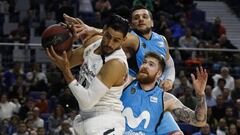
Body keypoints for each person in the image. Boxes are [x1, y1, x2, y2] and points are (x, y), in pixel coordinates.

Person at [63, 6, 179, 134]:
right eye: (136, 17)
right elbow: (114, 34)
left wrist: (169, 79)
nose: (140, 19)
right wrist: (90, 29)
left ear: (152, 22)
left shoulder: (162, 40)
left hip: (153, 95)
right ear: (132, 25)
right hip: (130, 94)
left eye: (144, 16)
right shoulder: (133, 38)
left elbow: (170, 64)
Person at [46, 14, 129, 135]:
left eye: (116, 40)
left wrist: (66, 72)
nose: (110, 44)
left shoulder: (115, 64)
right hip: (85, 118)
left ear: (124, 40)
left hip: (106, 120)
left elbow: (87, 101)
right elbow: (67, 61)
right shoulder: (94, 42)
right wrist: (68, 41)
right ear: (103, 30)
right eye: (108, 36)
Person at [121, 52, 208, 134]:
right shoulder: (126, 82)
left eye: (151, 64)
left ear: (158, 74)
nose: (145, 66)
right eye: (144, 62)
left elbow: (199, 121)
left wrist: (200, 94)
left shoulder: (165, 99)